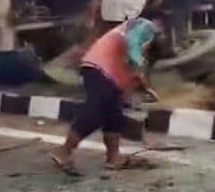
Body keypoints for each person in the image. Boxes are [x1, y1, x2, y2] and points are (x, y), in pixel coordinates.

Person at [50, 17, 161, 174]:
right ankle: (64, 151)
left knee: (113, 115)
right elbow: (131, 43)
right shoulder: (144, 26)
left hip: (109, 76)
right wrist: (138, 67)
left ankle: (113, 158)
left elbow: (128, 80)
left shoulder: (143, 52)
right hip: (98, 68)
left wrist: (138, 86)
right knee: (97, 113)